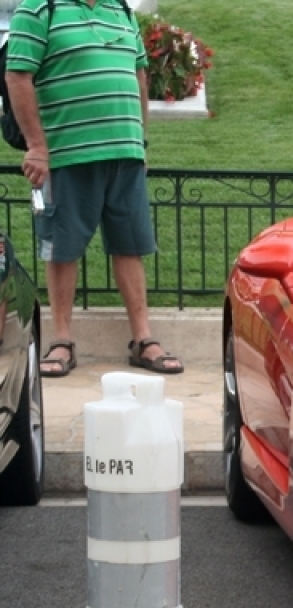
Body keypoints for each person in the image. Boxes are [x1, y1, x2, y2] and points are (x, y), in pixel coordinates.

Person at [4, 0, 182, 377]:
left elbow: (139, 77)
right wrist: (37, 147)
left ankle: (143, 339)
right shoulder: (39, 10)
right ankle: (62, 341)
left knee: (131, 246)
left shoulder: (121, 10)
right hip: (66, 153)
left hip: (125, 150)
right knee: (62, 249)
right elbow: (17, 77)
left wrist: (141, 141)